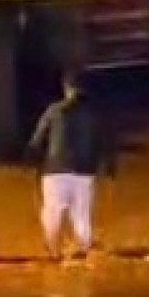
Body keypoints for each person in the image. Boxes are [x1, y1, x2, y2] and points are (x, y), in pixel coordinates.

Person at [28, 68, 115, 261]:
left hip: (54, 170)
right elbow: (105, 142)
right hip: (84, 171)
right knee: (82, 215)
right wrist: (110, 167)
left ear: (66, 87)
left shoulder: (53, 111)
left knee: (52, 211)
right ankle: (84, 251)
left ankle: (53, 252)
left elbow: (36, 141)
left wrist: (32, 162)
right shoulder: (95, 113)